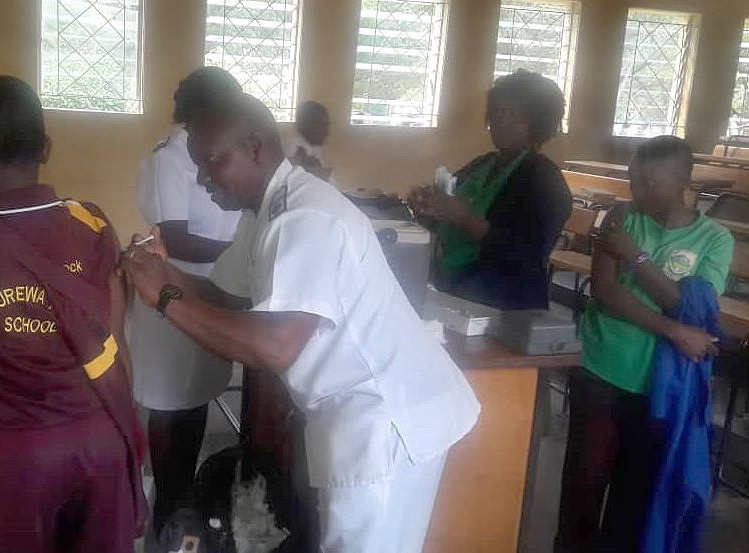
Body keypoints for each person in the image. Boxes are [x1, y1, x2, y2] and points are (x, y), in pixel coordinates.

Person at [120, 92, 481, 553]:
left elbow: (275, 346)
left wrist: (165, 297)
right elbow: (228, 297)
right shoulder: (266, 209)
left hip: (386, 421)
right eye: (197, 166)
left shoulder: (304, 216)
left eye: (212, 161)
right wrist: (162, 271)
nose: (203, 177)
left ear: (255, 146)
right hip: (356, 413)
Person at [0, 75, 146, 552]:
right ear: (46, 147)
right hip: (98, 439)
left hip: (3, 460)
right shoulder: (92, 224)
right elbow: (115, 343)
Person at [555, 136, 734, 553]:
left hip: (660, 388)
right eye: (635, 181)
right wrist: (673, 330)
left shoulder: (715, 239)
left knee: (633, 498)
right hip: (602, 368)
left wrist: (635, 259)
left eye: (652, 183)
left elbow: (689, 308)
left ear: (684, 181)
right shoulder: (621, 216)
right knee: (582, 486)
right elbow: (605, 291)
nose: (640, 192)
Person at [131, 66, 242, 539]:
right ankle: (169, 505)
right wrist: (244, 254)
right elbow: (172, 238)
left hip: (211, 293)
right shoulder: (169, 159)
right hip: (171, 291)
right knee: (170, 404)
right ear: (204, 112)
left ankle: (182, 491)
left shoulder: (217, 152)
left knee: (195, 396)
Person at [409, 69, 571, 310]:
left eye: (514, 115)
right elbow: (446, 221)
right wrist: (426, 209)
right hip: (455, 288)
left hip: (505, 303)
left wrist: (466, 219)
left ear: (537, 122)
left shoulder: (546, 181)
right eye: (497, 112)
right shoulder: (482, 164)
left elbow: (527, 256)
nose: (501, 122)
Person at [283, 100, 332, 181]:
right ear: (308, 125)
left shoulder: (313, 148)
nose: (327, 132)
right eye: (323, 125)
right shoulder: (295, 148)